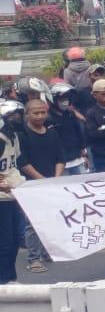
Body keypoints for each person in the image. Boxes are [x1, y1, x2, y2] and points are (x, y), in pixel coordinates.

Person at [18, 99, 63, 274]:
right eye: (35, 113)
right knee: (32, 223)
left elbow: (60, 157)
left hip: (50, 183)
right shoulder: (22, 136)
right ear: (27, 114)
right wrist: (41, 179)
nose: (40, 116)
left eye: (42, 112)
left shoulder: (53, 134)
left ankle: (47, 252)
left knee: (50, 220)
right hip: (30, 184)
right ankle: (34, 258)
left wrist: (56, 178)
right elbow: (23, 162)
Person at [0, 101, 28, 285]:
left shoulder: (14, 137)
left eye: (18, 114)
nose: (17, 119)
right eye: (12, 116)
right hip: (2, 198)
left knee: (16, 238)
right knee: (5, 241)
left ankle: (10, 275)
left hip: (14, 194)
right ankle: (4, 278)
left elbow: (15, 163)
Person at [47, 83, 88, 175]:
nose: (65, 102)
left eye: (67, 99)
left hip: (77, 159)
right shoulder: (48, 119)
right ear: (54, 99)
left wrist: (84, 155)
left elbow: (79, 134)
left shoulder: (70, 114)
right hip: (60, 163)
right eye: (62, 99)